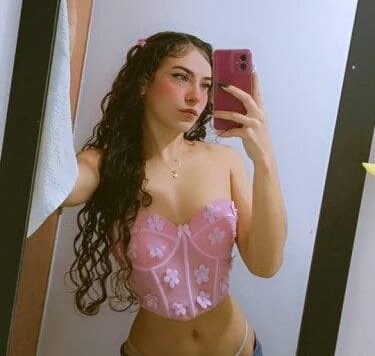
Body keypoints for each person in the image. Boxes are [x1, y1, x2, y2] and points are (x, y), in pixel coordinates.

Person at [63, 22, 287, 355]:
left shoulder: (224, 160)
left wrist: (264, 159)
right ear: (143, 84)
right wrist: (60, 54)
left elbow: (265, 265)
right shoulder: (104, 165)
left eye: (206, 85)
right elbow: (58, 189)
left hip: (239, 348)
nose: (196, 96)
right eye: (181, 77)